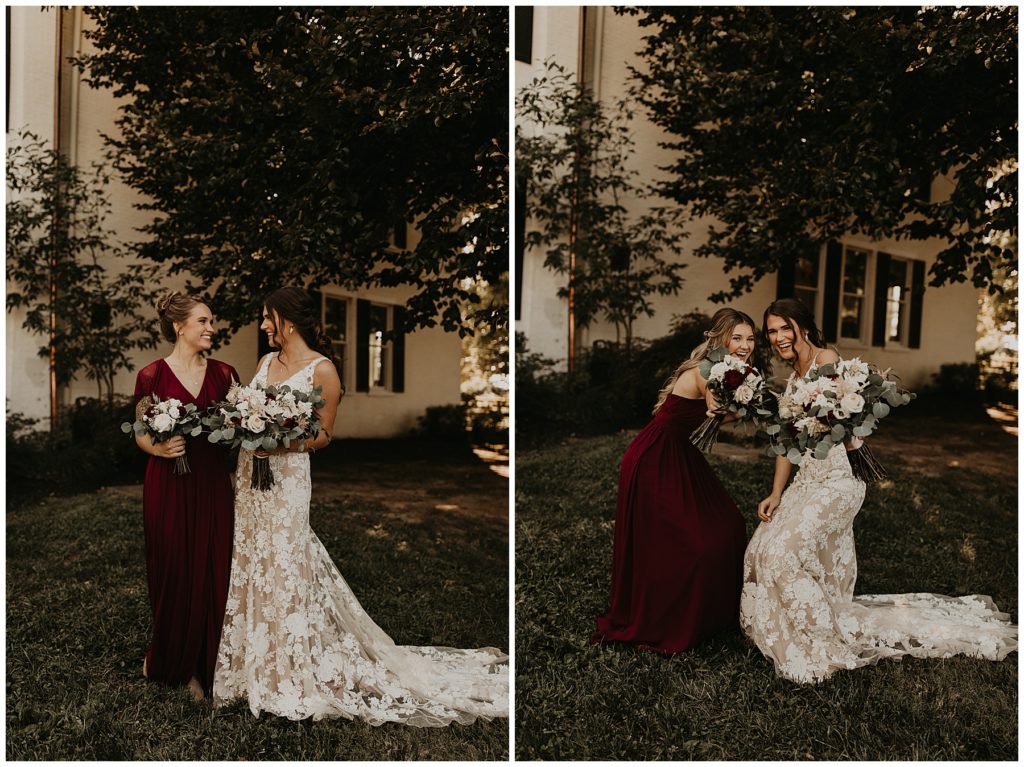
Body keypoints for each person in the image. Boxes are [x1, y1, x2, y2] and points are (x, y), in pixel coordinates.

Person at [213, 286, 508, 724]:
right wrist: (247, 432)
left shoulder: (324, 370)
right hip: (250, 477)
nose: (262, 326)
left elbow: (324, 435)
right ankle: (247, 664)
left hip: (288, 476)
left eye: (266, 317)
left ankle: (289, 668)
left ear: (286, 321)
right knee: (250, 557)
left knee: (286, 561)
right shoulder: (264, 364)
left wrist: (277, 443)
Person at [740, 297, 1018, 684]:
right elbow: (788, 444)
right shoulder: (792, 377)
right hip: (808, 482)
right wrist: (776, 492)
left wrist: (843, 424)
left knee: (782, 553)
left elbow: (839, 422)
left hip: (838, 483)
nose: (778, 337)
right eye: (771, 331)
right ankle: (776, 632)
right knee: (759, 549)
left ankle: (819, 640)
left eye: (784, 327)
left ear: (802, 326)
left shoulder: (825, 359)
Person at [591, 308, 764, 653]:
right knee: (692, 542)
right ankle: (666, 617)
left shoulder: (728, 370)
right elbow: (717, 414)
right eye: (737, 337)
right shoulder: (708, 370)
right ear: (720, 339)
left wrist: (751, 396)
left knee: (729, 523)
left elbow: (722, 412)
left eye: (750, 338)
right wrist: (754, 403)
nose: (745, 345)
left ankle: (711, 615)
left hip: (681, 453)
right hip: (654, 456)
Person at [133, 291, 238, 700]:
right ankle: (175, 663)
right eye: (202, 321)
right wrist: (157, 448)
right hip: (169, 485)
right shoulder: (151, 376)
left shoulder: (226, 373)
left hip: (212, 481)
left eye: (212, 321)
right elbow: (140, 429)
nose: (211, 328)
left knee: (215, 567)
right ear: (179, 326)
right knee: (175, 567)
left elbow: (239, 427)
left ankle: (210, 663)